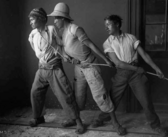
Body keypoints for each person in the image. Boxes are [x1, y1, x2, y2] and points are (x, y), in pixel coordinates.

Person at [48, 3, 126, 135]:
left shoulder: (75, 29)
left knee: (101, 96)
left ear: (63, 18)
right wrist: (67, 57)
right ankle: (76, 120)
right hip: (79, 68)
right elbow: (64, 48)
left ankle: (115, 123)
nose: (54, 21)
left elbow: (90, 45)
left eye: (56, 18)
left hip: (90, 67)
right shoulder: (63, 32)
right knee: (78, 98)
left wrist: (106, 59)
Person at [100, 14, 167, 136]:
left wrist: (157, 69)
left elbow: (145, 56)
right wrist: (136, 69)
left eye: (108, 24)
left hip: (136, 74)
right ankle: (101, 118)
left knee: (146, 101)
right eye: (105, 25)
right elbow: (118, 64)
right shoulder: (107, 43)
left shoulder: (131, 38)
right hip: (123, 73)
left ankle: (156, 126)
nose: (106, 28)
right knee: (112, 99)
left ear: (117, 24)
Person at [28, 7, 85, 134]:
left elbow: (61, 46)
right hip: (42, 69)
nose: (30, 22)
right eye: (30, 20)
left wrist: (69, 58)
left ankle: (78, 121)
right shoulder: (32, 34)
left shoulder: (52, 30)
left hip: (55, 69)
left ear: (42, 19)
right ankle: (38, 117)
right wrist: (43, 60)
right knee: (35, 92)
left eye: (33, 19)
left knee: (66, 94)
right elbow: (37, 50)